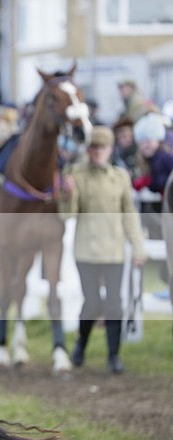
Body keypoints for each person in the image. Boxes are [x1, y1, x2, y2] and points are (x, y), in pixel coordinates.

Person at [59, 125, 147, 374]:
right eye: (94, 147)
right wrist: (68, 195)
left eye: (103, 147)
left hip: (114, 251)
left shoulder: (120, 177)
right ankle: (80, 347)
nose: (98, 152)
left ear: (110, 149)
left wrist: (138, 247)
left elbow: (129, 213)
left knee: (114, 305)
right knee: (92, 302)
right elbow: (68, 216)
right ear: (89, 149)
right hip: (86, 250)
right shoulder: (76, 174)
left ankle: (113, 356)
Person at [132, 112, 173, 240]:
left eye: (148, 141)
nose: (145, 146)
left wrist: (149, 182)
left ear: (158, 139)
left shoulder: (164, 156)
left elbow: (165, 181)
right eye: (141, 142)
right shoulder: (154, 157)